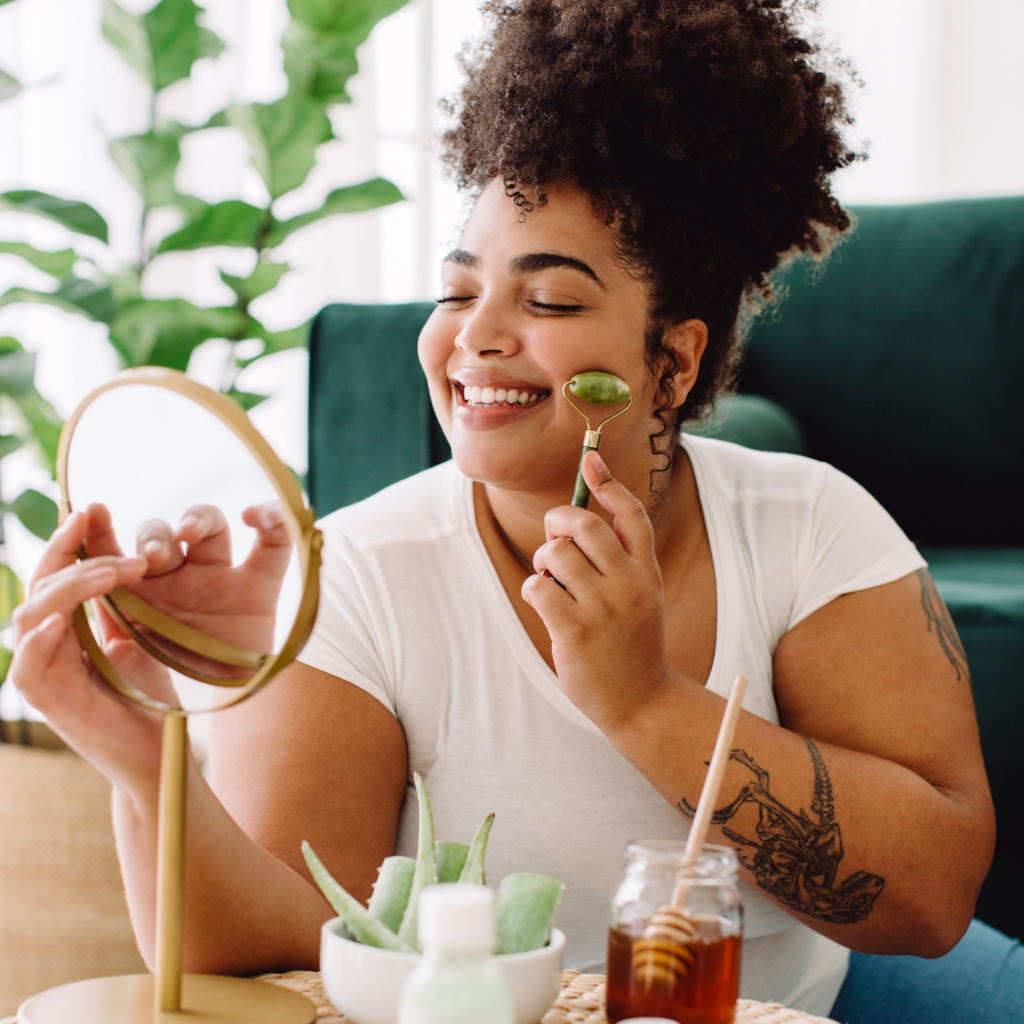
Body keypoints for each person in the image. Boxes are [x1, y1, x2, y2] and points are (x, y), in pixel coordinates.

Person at [9, 1, 1021, 1021]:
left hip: (815, 992)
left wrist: (642, 701)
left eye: (548, 302)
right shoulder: (363, 571)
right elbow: (269, 944)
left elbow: (930, 901)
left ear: (671, 361)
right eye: (457, 292)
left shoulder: (810, 524)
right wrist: (145, 760)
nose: (474, 336)